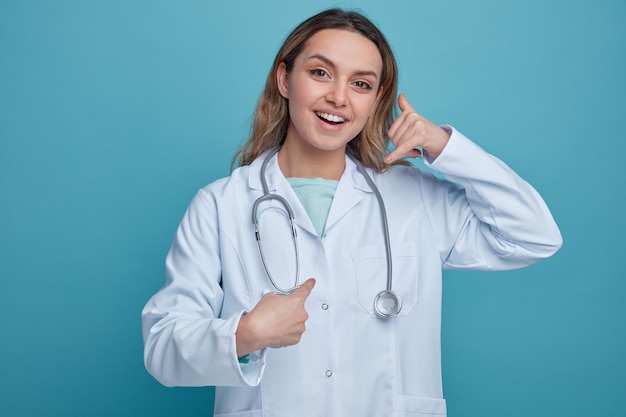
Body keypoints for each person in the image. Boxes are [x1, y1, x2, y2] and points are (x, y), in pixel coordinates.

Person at [141, 8, 562, 417]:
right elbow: (161, 348)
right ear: (285, 78)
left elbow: (534, 235)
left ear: (376, 98)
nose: (338, 97)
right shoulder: (220, 204)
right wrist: (244, 334)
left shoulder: (415, 198)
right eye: (320, 73)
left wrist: (446, 147)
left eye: (360, 83)